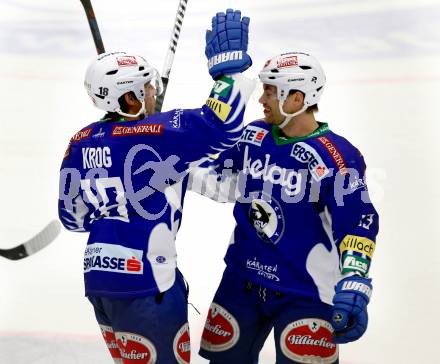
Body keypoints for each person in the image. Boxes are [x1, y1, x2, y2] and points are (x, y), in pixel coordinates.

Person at [58, 9, 254, 364]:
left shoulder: (79, 141)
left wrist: (126, 194)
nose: (154, 92)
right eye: (147, 87)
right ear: (129, 98)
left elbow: (73, 219)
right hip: (148, 282)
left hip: (100, 280)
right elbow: (221, 124)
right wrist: (230, 74)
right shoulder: (158, 135)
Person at [189, 51, 379, 363]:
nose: (262, 99)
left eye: (270, 91)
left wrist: (354, 280)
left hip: (305, 293)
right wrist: (167, 150)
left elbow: (359, 222)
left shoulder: (337, 157)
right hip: (242, 280)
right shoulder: (253, 135)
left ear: (297, 98)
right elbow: (216, 180)